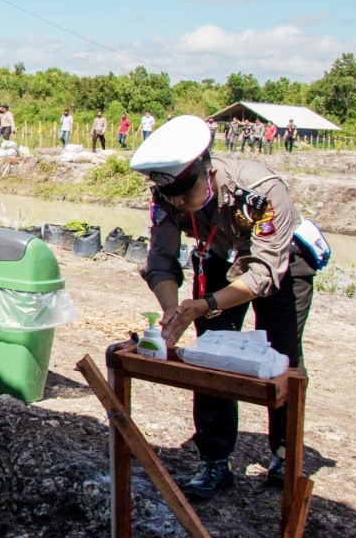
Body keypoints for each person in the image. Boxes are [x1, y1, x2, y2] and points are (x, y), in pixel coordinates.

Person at [131, 115, 314, 500]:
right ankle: (215, 459)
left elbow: (263, 274)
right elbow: (160, 259)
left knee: (280, 357)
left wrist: (206, 304)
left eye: (185, 194)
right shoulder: (166, 197)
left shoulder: (261, 190)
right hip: (219, 253)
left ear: (207, 172)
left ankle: (283, 452)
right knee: (210, 352)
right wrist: (174, 309)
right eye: (170, 197)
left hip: (280, 262)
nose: (178, 204)